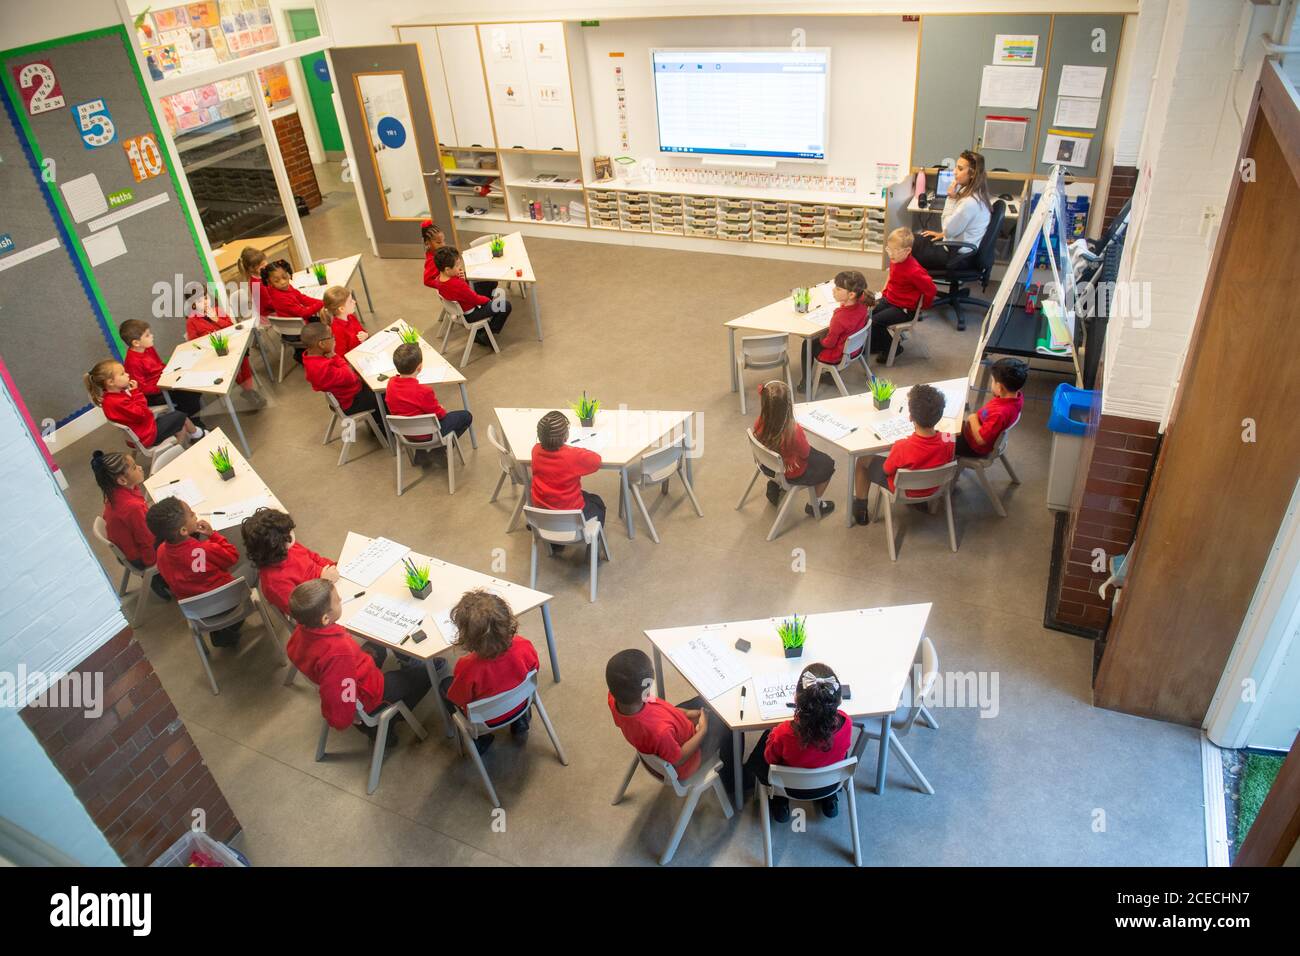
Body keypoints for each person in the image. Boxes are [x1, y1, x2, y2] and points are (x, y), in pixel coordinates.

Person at [287, 578, 437, 745]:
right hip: (372, 693)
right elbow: (341, 691)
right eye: (337, 600)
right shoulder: (338, 654)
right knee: (434, 668)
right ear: (325, 619)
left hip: (354, 671)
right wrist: (350, 715)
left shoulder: (301, 632)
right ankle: (383, 725)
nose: (341, 600)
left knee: (376, 646)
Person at [606, 648, 746, 801]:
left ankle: (695, 717)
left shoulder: (614, 698)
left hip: (670, 727)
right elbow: (679, 758)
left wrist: (685, 714)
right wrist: (702, 731)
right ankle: (731, 781)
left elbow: (660, 708)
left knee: (707, 699)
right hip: (689, 758)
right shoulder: (660, 732)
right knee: (732, 725)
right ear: (646, 689)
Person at [742, 663, 853, 822]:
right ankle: (829, 799)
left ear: (795, 699)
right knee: (836, 753)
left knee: (766, 746)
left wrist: (771, 737)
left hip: (789, 788)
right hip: (830, 783)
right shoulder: (847, 723)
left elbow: (770, 760)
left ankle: (779, 801)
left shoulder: (783, 733)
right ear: (839, 700)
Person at [440, 589, 540, 754]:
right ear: (508, 621)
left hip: (485, 721)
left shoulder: (466, 667)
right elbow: (534, 670)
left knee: (444, 686)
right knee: (515, 683)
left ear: (466, 636)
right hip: (522, 703)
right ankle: (520, 722)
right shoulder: (524, 646)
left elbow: (459, 698)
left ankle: (481, 739)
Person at [852, 383, 954, 525]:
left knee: (863, 461)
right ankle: (920, 502)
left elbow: (886, 470)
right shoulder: (949, 439)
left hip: (904, 490)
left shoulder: (902, 447)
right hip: (934, 487)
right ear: (939, 415)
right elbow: (949, 457)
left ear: (911, 417)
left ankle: (861, 510)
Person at [146, 496, 242, 646]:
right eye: (191, 514)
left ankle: (222, 630)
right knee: (253, 566)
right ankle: (229, 627)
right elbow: (232, 557)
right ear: (184, 530)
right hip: (230, 601)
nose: (195, 514)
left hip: (197, 612)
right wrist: (213, 535)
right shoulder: (205, 549)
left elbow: (192, 569)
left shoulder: (160, 552)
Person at [912, 150, 992, 329]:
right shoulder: (978, 195)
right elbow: (955, 230)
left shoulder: (969, 203)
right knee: (917, 237)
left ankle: (908, 300)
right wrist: (944, 235)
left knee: (909, 246)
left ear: (971, 174)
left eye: (960, 168)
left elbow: (948, 227)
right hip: (963, 250)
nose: (955, 172)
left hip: (957, 256)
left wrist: (950, 198)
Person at [90, 450, 171, 599]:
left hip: (128, 551)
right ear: (122, 481)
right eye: (134, 467)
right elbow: (146, 540)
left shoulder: (115, 493)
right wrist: (152, 564)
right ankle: (160, 578)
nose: (140, 467)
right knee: (183, 526)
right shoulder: (132, 507)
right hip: (141, 556)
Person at [753, 380, 835, 516]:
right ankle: (815, 505)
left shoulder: (760, 421)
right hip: (790, 471)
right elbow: (805, 453)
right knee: (828, 463)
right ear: (789, 406)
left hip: (766, 465)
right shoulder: (794, 431)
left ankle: (775, 485)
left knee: (812, 455)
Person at [240, 507, 339, 618]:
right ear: (278, 543)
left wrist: (335, 566)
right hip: (320, 606)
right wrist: (325, 581)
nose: (292, 531)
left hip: (329, 584)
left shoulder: (289, 547)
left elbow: (314, 557)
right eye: (289, 531)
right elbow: (303, 610)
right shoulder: (274, 583)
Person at [85, 359, 203, 448]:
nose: (127, 375)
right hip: (146, 435)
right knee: (180, 415)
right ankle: (198, 434)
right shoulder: (118, 401)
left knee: (179, 424)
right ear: (110, 382)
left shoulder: (110, 398)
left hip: (140, 432)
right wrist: (136, 393)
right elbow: (142, 413)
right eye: (122, 374)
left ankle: (181, 448)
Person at [300, 322, 386, 437]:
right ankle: (386, 431)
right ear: (322, 344)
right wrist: (335, 355)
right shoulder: (323, 368)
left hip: (344, 395)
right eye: (331, 336)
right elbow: (350, 375)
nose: (334, 338)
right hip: (351, 401)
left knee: (372, 382)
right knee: (384, 394)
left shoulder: (310, 358)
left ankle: (378, 422)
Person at [183, 289, 265, 406]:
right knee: (231, 368)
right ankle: (249, 391)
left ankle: (247, 390)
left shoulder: (217, 310)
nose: (205, 302)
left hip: (232, 345)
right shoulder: (191, 321)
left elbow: (232, 327)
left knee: (243, 358)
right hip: (215, 353)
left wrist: (216, 319)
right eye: (200, 301)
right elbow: (194, 343)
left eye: (206, 298)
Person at [796, 270, 874, 392]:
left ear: (852, 295)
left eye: (838, 289)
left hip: (837, 355)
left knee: (808, 344)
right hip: (855, 349)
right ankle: (826, 376)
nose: (833, 290)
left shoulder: (839, 318)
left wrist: (822, 337)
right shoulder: (863, 304)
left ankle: (805, 382)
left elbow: (829, 343)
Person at [118, 318, 206, 424]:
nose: (152, 336)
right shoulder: (132, 362)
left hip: (165, 381)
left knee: (194, 386)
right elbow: (141, 388)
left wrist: (172, 372)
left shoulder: (148, 347)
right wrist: (165, 384)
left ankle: (189, 418)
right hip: (154, 394)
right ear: (136, 343)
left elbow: (159, 365)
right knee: (189, 395)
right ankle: (194, 426)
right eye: (147, 335)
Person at [385, 342, 472, 446]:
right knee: (466, 416)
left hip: (404, 434)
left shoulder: (390, 384)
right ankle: (440, 448)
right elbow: (439, 415)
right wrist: (441, 408)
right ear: (420, 367)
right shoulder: (424, 391)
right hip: (428, 434)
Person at [530, 410, 605, 532]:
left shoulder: (535, 450)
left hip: (542, 512)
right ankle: (593, 545)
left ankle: (554, 544)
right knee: (597, 503)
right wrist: (572, 449)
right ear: (566, 436)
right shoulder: (572, 455)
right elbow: (597, 461)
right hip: (570, 513)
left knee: (585, 496)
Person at [869, 229, 937, 361]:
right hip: (890, 299)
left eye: (895, 251)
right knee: (868, 313)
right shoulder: (896, 259)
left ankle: (893, 349)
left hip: (904, 309)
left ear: (907, 251)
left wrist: (923, 307)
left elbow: (931, 289)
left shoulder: (914, 270)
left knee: (875, 322)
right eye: (889, 249)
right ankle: (878, 343)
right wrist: (884, 294)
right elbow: (892, 277)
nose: (890, 254)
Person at [430, 245, 511, 338]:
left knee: (490, 283)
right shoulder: (458, 285)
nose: (459, 267)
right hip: (471, 314)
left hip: (461, 307)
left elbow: (461, 292)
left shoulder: (438, 279)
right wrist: (488, 300)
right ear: (447, 269)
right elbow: (476, 299)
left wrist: (461, 279)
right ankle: (485, 335)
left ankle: (486, 325)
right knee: (505, 305)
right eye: (457, 265)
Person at [957, 358, 1027, 458]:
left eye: (993, 381)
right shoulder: (1016, 396)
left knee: (944, 440)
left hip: (972, 445)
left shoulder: (999, 414)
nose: (991, 384)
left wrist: (973, 418)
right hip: (974, 429)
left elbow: (981, 440)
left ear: (999, 387)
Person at [422, 219, 496, 297]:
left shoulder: (440, 253)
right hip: (460, 288)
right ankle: (485, 304)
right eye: (439, 242)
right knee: (491, 282)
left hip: (461, 281)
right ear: (427, 243)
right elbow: (427, 281)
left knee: (490, 281)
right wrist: (445, 284)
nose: (443, 244)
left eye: (444, 241)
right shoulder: (432, 260)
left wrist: (457, 271)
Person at [259, 258, 325, 320]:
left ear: (288, 274)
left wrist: (322, 301)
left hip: (300, 320)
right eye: (276, 281)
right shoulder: (280, 298)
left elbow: (302, 298)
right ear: (270, 282)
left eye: (284, 277)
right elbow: (303, 313)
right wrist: (320, 304)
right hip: (297, 327)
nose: (283, 282)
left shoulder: (287, 287)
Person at [320, 286, 368, 356]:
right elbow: (342, 356)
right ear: (341, 309)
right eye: (350, 301)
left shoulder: (350, 316)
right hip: (354, 358)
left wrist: (365, 335)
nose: (355, 302)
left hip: (361, 349)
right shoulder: (336, 330)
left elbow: (361, 331)